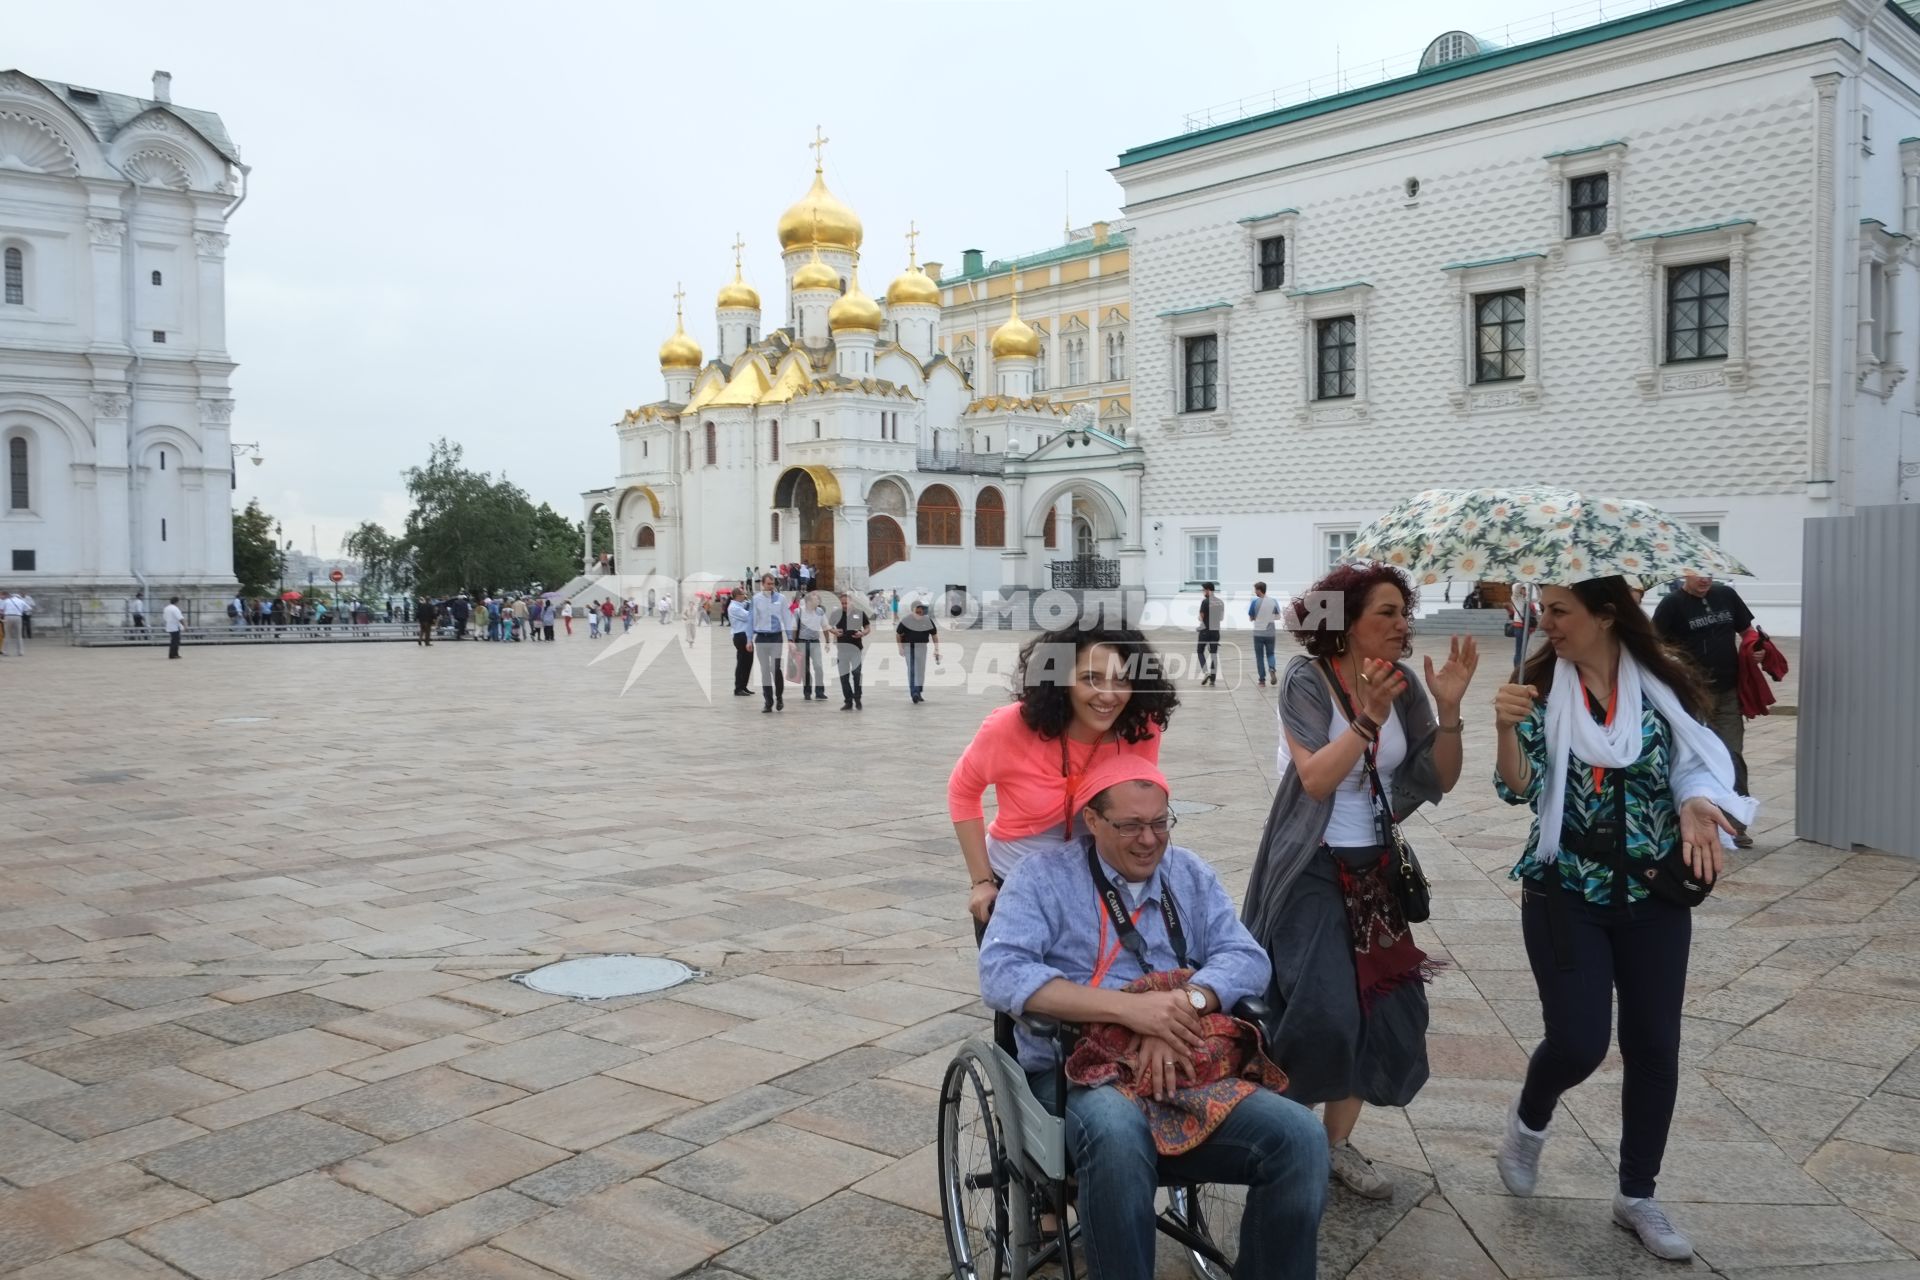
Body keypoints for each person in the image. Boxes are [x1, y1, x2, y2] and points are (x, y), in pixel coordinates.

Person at [979, 759, 1328, 1280]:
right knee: (1117, 1135)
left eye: (1161, 822)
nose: (1149, 839)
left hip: (1188, 1064)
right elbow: (1002, 973)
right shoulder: (1043, 878)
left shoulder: (1188, 873)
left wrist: (1182, 1006)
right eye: (1130, 826)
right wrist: (1131, 1012)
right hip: (1076, 1071)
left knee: (1301, 1136)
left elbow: (1247, 957)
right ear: (1092, 822)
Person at [1492, 575, 1754, 1261]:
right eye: (1542, 610)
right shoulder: (1542, 689)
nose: (1547, 622)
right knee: (1578, 1042)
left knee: (1654, 1048)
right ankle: (1530, 1118)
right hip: (1565, 889)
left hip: (1652, 897)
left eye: (1560, 611)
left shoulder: (1661, 689)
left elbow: (1701, 764)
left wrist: (1697, 801)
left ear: (1606, 616)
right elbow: (1519, 787)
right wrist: (1502, 725)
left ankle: (1637, 1195)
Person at [1239, 563, 1478, 1200]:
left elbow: (1440, 776)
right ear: (1345, 624)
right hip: (1310, 864)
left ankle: (1334, 1147)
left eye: (1406, 613)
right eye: (1388, 613)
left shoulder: (1403, 685)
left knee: (1384, 1010)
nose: (1404, 625)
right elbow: (1315, 778)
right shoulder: (1306, 679)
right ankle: (1283, 1137)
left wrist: (1450, 712)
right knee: (1325, 1012)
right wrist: (1367, 717)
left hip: (1375, 870)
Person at [950, 624, 1178, 927]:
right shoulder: (1009, 728)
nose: (1108, 696)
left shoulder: (1139, 727)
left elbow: (1137, 807)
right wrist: (981, 881)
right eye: (1090, 679)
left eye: (1122, 680)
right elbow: (962, 792)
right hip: (1015, 885)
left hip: (1102, 887)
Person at [1653, 573, 1757, 844]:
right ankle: (1690, 814)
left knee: (1732, 753)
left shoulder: (1726, 596)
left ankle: (1736, 824)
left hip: (1727, 692)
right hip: (1693, 695)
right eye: (1699, 574)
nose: (1705, 579)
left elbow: (1748, 632)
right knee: (1697, 757)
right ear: (1685, 573)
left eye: (1709, 574)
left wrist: (1756, 649)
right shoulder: (1671, 605)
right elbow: (1654, 645)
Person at [748, 572, 791, 712]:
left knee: (775, 668)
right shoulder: (756, 599)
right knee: (765, 670)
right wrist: (749, 639)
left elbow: (787, 618)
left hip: (776, 638)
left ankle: (779, 697)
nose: (771, 586)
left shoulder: (781, 599)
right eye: (768, 584)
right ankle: (768, 701)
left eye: (773, 584)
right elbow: (751, 620)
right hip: (761, 638)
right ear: (763, 584)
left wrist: (790, 638)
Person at [832, 590, 872, 710]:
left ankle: (858, 698)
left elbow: (867, 627)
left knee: (856, 673)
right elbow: (832, 627)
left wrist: (862, 633)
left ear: (851, 602)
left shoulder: (860, 613)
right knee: (844, 676)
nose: (844, 605)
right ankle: (848, 701)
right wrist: (835, 635)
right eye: (842, 603)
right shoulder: (837, 614)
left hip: (855, 649)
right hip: (842, 650)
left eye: (846, 603)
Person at [896, 600, 940, 703]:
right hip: (908, 648)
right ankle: (914, 693)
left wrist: (936, 649)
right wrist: (900, 647)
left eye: (921, 610)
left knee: (920, 670)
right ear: (913, 609)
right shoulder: (906, 620)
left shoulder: (927, 620)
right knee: (912, 670)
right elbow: (898, 634)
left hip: (922, 648)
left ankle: (919, 691)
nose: (920, 612)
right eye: (917, 610)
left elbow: (934, 635)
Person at [794, 591, 830, 702]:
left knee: (818, 666)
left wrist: (827, 642)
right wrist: (794, 644)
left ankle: (820, 692)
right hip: (802, 642)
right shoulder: (798, 611)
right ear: (809, 601)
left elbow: (825, 626)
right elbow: (794, 628)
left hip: (815, 642)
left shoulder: (820, 611)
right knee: (805, 669)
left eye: (819, 599)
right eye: (816, 599)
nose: (818, 601)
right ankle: (807, 692)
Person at [1249, 581, 1282, 688]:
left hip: (1258, 633)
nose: (1255, 592)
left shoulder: (1255, 602)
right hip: (1270, 633)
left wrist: (1258, 618)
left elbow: (1251, 618)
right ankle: (1272, 668)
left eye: (1255, 590)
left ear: (1259, 590)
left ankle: (1262, 681)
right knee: (1271, 654)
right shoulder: (1273, 601)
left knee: (1259, 657)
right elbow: (1278, 617)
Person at [1195, 582, 1223, 686]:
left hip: (1205, 631)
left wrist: (1200, 618)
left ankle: (1206, 672)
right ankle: (1212, 680)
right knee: (1214, 655)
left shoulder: (1205, 602)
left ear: (1208, 590)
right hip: (1215, 632)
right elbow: (1221, 618)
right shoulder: (1220, 602)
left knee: (1200, 651)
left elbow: (1201, 617)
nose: (1203, 592)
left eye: (1203, 590)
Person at [727, 587, 754, 696]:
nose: (745, 596)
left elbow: (749, 604)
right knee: (742, 662)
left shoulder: (740, 604)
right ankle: (738, 688)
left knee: (748, 662)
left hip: (745, 635)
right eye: (743, 594)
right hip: (740, 636)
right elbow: (748, 616)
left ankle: (743, 686)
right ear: (737, 596)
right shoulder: (734, 607)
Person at [1, 591, 24, 656]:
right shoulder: (21, 601)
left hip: (8, 616)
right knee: (19, 635)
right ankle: (20, 652)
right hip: (18, 617)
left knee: (7, 635)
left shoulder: (6, 601)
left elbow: (2, 610)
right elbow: (28, 608)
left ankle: (5, 651)